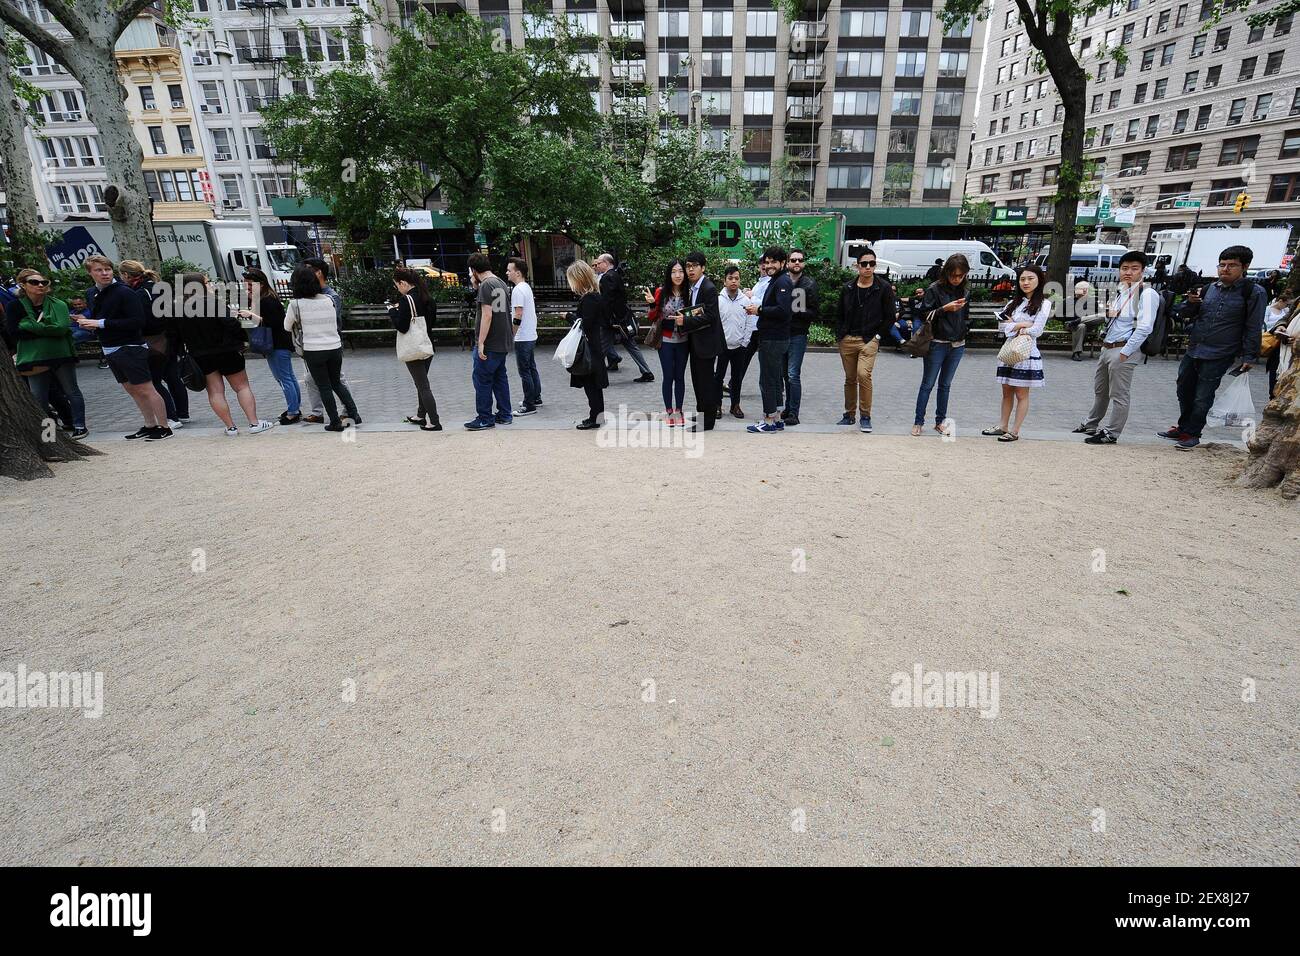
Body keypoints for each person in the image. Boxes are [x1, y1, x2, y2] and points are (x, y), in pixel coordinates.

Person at [1158, 245, 1265, 450]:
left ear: (1245, 267)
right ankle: (1183, 427)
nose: (1225, 269)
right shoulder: (1208, 289)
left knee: (1203, 395)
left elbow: (1254, 325)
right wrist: (1190, 303)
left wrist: (1250, 356)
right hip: (1195, 347)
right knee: (1184, 389)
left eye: (1231, 265)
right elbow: (1185, 314)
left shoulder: (1253, 292)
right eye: (1222, 265)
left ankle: (1192, 432)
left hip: (1220, 352)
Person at [75, 255, 172, 440]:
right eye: (99, 270)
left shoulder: (124, 292)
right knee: (132, 389)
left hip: (130, 346)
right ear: (90, 273)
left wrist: (100, 323)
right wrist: (89, 323)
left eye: (107, 269)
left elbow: (137, 321)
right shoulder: (91, 293)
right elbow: (99, 318)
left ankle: (165, 426)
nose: (104, 273)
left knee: (147, 388)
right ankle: (149, 425)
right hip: (109, 347)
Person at [1072, 252, 1160, 445]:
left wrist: (1125, 352)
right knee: (1101, 390)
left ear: (1143, 271)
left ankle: (1112, 433)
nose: (1128, 272)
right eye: (1125, 268)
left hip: (1123, 349)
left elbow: (1145, 327)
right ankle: (1090, 423)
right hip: (1108, 347)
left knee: (1119, 394)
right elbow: (1110, 317)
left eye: (1134, 268)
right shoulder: (1123, 291)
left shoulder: (1147, 293)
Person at [172, 273, 275, 436]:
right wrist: (242, 337)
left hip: (200, 354)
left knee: (215, 391)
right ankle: (254, 423)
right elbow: (232, 325)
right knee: (242, 387)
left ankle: (230, 427)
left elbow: (175, 335)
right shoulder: (214, 303)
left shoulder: (178, 308)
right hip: (227, 350)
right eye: (207, 282)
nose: (210, 284)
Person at [6, 268, 88, 438]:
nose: (40, 285)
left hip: (61, 354)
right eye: (34, 282)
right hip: (34, 357)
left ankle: (80, 425)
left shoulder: (58, 304)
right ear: (23, 285)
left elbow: (61, 328)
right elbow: (15, 332)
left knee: (71, 390)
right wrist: (48, 330)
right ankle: (49, 433)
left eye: (44, 282)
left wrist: (31, 326)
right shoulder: (15, 306)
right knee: (39, 397)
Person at [285, 263, 360, 432]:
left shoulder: (295, 304)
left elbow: (286, 326)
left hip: (314, 350)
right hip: (334, 347)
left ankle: (335, 421)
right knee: (337, 383)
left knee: (324, 386)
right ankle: (354, 413)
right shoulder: (329, 299)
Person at [983, 264, 1052, 442]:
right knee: (1006, 392)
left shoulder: (1044, 304)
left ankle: (1015, 430)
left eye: (1030, 278)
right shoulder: (1013, 303)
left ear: (1039, 280)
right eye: (1022, 279)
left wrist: (1016, 325)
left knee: (1022, 393)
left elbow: (1037, 331)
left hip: (1026, 353)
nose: (1026, 282)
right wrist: (1024, 325)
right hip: (1008, 351)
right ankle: (1002, 426)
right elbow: (1003, 328)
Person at [835, 250, 895, 433]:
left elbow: (890, 317)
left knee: (863, 375)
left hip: (869, 339)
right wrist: (840, 336)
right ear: (857, 266)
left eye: (872, 263)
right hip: (847, 339)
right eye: (864, 264)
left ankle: (865, 416)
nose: (868, 267)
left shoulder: (883, 288)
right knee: (850, 378)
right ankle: (849, 414)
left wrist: (877, 337)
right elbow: (839, 314)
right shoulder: (848, 288)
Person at [911, 254, 971, 437]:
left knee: (945, 385)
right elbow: (923, 315)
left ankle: (940, 421)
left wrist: (964, 330)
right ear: (946, 273)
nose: (956, 279)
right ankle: (918, 421)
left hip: (957, 343)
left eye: (960, 275)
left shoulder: (965, 290)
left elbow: (966, 316)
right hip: (937, 342)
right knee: (927, 384)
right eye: (953, 275)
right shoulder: (934, 289)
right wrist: (945, 309)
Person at [119, 259, 183, 428]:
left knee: (153, 382)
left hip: (154, 340)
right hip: (170, 337)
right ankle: (182, 413)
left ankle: (172, 417)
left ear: (125, 275)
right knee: (172, 377)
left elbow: (144, 319)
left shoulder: (139, 293)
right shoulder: (158, 286)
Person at [239, 267, 300, 424]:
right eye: (245, 284)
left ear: (261, 284)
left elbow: (272, 323)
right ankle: (294, 408)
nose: (247, 288)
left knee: (284, 378)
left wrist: (251, 315)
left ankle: (293, 412)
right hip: (277, 344)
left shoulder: (267, 300)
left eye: (250, 285)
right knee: (288, 378)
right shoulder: (264, 298)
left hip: (277, 344)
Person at [299, 257, 353, 425]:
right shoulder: (310, 295)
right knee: (310, 378)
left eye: (308, 269)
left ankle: (347, 411)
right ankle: (318, 412)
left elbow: (328, 321)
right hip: (313, 345)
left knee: (337, 379)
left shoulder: (331, 296)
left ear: (319, 272)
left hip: (328, 344)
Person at [746, 247, 794, 434]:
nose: (769, 265)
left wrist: (759, 310)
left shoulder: (782, 281)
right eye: (767, 262)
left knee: (767, 379)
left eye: (773, 262)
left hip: (773, 338)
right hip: (775, 337)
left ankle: (768, 420)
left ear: (782, 263)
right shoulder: (778, 280)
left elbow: (783, 311)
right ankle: (777, 418)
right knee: (774, 378)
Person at [387, 266, 441, 431]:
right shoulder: (426, 297)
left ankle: (434, 421)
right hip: (427, 344)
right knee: (421, 382)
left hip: (414, 347)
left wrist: (392, 312)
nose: (397, 288)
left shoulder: (406, 300)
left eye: (397, 285)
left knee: (422, 385)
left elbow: (402, 327)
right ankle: (420, 414)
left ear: (403, 283)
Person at [465, 252, 513, 430]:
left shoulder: (486, 284)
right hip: (502, 339)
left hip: (491, 341)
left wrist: (481, 342)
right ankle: (505, 413)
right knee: (500, 377)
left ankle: (485, 417)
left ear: (474, 270)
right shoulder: (500, 282)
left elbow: (487, 315)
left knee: (482, 378)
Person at [680, 250, 724, 431]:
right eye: (688, 266)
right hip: (696, 344)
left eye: (694, 266)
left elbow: (711, 316)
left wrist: (686, 320)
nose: (690, 270)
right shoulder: (692, 288)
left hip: (706, 344)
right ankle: (702, 415)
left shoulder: (708, 288)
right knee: (698, 382)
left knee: (705, 383)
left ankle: (708, 421)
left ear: (703, 268)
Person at [594, 253, 653, 381]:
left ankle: (594, 375)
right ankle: (647, 372)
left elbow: (607, 301)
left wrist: (604, 319)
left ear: (606, 263)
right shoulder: (616, 275)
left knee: (601, 347)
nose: (597, 265)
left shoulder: (606, 278)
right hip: (620, 319)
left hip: (611, 321)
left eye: (599, 263)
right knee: (631, 345)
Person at [645, 258, 690, 426]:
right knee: (668, 376)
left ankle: (679, 410)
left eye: (680, 271)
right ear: (669, 274)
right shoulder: (661, 291)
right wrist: (651, 305)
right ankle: (669, 411)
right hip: (665, 341)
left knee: (680, 376)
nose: (677, 275)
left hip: (684, 340)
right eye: (674, 272)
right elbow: (652, 317)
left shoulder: (689, 292)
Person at [566, 260, 609, 429]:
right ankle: (596, 416)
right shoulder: (593, 296)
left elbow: (584, 323)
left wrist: (568, 316)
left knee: (592, 385)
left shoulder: (590, 298)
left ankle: (596, 417)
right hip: (594, 345)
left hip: (590, 348)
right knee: (592, 385)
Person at [713, 265, 756, 420]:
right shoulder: (718, 300)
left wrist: (745, 342)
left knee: (737, 377)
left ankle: (735, 405)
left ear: (739, 280)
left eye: (736, 278)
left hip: (740, 346)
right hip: (722, 346)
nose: (733, 281)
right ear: (724, 281)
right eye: (730, 278)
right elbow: (715, 323)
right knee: (718, 377)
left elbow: (750, 322)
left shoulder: (746, 300)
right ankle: (717, 405)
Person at [782, 248, 817, 427]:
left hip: (798, 334)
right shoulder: (781, 281)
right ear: (787, 262)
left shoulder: (809, 284)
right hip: (781, 334)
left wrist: (798, 308)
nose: (797, 263)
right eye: (793, 260)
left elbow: (814, 312)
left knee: (793, 374)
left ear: (803, 263)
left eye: (800, 260)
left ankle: (794, 413)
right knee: (784, 374)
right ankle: (788, 408)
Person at [507, 258, 542, 416]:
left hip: (522, 336)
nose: (507, 273)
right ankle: (535, 397)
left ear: (518, 273)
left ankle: (529, 405)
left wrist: (512, 332)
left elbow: (518, 314)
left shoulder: (518, 290)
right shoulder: (526, 287)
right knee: (531, 367)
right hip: (530, 334)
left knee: (524, 371)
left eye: (509, 270)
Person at [1262, 290, 1296, 399]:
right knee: (1274, 384)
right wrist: (1280, 326)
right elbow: (1284, 319)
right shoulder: (1297, 302)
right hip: (1281, 349)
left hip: (1294, 356)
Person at [1067, 280, 1105, 361]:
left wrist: (1086, 317)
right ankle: (1076, 353)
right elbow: (1057, 315)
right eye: (1082, 289)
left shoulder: (1092, 301)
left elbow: (1098, 315)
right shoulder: (1069, 301)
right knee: (1081, 326)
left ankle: (1080, 320)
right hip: (1071, 325)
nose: (1085, 291)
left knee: (1103, 316)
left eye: (1086, 289)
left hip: (1088, 325)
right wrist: (1070, 316)